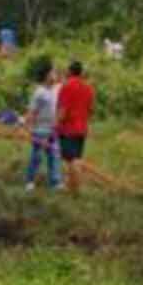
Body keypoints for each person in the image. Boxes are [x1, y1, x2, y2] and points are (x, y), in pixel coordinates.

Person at [56, 60, 95, 194]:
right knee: (76, 157)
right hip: (82, 129)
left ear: (69, 71)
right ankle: (71, 187)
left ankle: (75, 189)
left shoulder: (66, 86)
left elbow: (63, 111)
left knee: (69, 160)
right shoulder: (88, 88)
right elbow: (90, 110)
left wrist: (55, 125)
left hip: (68, 129)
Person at [24, 66, 62, 191]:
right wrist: (29, 127)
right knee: (37, 156)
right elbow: (32, 111)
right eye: (52, 73)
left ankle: (55, 183)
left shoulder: (57, 89)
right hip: (40, 128)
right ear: (46, 76)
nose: (55, 75)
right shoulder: (39, 92)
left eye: (55, 73)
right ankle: (30, 181)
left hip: (53, 128)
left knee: (54, 156)